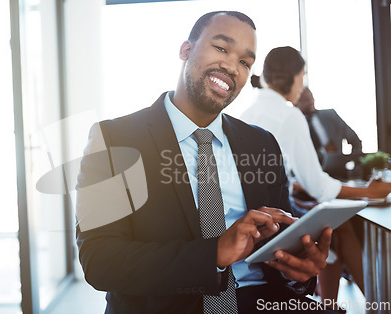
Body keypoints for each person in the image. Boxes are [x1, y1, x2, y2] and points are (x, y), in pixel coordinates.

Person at [76, 12, 335, 313]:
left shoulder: (262, 143)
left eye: (245, 62)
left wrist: (298, 271)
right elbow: (100, 260)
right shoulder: (114, 140)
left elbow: (281, 246)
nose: (232, 67)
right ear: (186, 50)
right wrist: (213, 254)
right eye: (222, 48)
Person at [240, 46, 391, 309]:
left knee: (337, 231)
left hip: (252, 218)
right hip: (275, 222)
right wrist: (370, 192)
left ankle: (333, 305)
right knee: (336, 226)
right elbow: (318, 186)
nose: (303, 84)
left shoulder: (248, 113)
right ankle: (380, 304)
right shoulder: (288, 114)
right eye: (302, 75)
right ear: (292, 76)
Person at [294, 87, 363, 165]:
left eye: (311, 97)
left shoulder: (331, 115)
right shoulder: (295, 125)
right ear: (295, 103)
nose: (311, 102)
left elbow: (355, 140)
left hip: (338, 168)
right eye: (306, 100)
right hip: (314, 169)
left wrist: (353, 163)